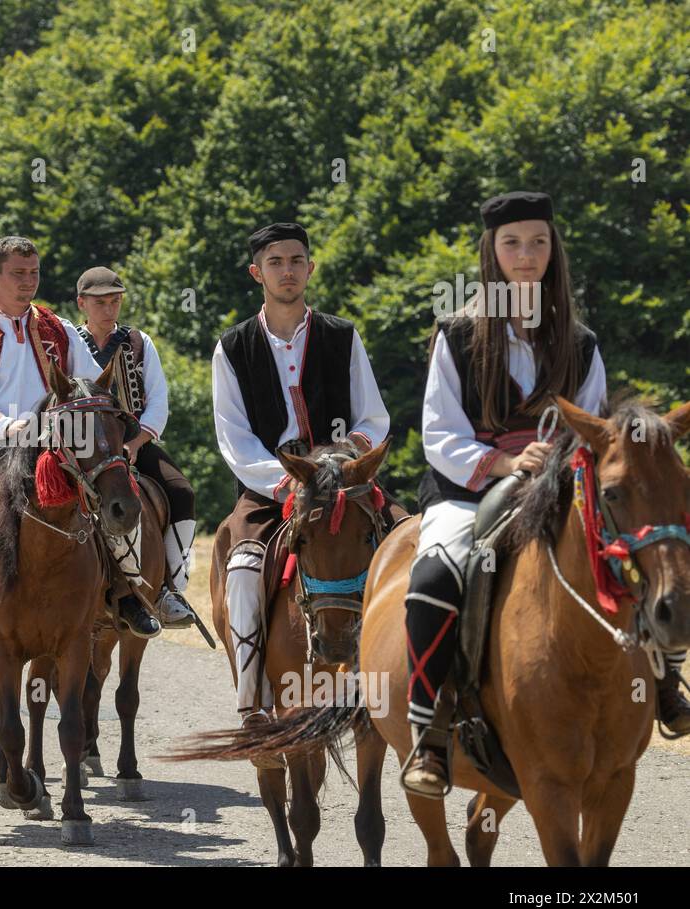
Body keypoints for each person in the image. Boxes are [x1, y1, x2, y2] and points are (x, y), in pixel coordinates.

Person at [398, 191, 675, 794]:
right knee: (432, 580)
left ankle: (666, 685)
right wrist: (500, 461)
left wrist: (571, 464)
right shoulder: (457, 334)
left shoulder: (581, 343)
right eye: (512, 243)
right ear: (492, 253)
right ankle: (430, 735)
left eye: (539, 242)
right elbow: (439, 436)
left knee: (639, 556)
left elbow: (603, 435)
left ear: (554, 251)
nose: (527, 256)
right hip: (470, 493)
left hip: (563, 492)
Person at [0, 236, 159, 680]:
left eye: (34, 273)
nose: (28, 282)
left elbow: (92, 386)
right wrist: (4, 426)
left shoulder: (60, 329)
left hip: (55, 452)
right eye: (18, 274)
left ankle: (127, 589)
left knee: (116, 495)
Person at [212, 221, 390, 728]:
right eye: (275, 262)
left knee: (407, 547)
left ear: (310, 267)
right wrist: (285, 479)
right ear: (256, 272)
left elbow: (373, 419)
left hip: (346, 486)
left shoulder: (342, 336)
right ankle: (252, 698)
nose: (287, 271)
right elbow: (234, 436)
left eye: (296, 261)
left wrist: (343, 461)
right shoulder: (232, 347)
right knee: (244, 570)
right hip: (268, 491)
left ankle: (411, 692)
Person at [74, 266, 197, 626]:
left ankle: (170, 587)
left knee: (182, 491)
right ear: (82, 303)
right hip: (82, 449)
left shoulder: (139, 342)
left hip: (132, 443)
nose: (109, 309)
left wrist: (137, 442)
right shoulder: (68, 341)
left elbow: (158, 401)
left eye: (115, 301)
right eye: (100, 302)